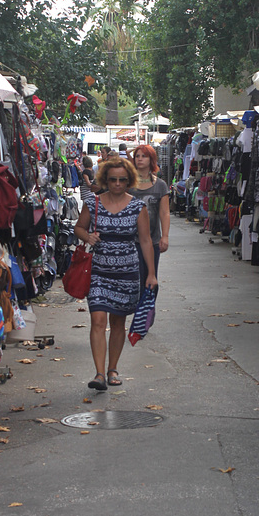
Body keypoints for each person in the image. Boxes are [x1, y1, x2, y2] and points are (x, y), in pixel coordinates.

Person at [74, 157, 157, 391]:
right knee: (97, 320)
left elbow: (145, 240)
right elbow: (79, 227)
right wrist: (86, 236)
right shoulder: (94, 203)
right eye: (113, 180)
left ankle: (113, 369)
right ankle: (99, 374)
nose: (118, 184)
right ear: (105, 180)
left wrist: (151, 273)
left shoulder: (137, 207)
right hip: (99, 271)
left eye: (122, 180)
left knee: (118, 323)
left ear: (129, 180)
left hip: (127, 273)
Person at [130, 144, 170, 293]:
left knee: (150, 280)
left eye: (143, 156)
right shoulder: (127, 183)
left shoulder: (160, 185)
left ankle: (146, 312)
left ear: (151, 159)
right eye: (137, 156)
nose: (139, 159)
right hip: (130, 241)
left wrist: (165, 236)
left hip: (152, 240)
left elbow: (165, 213)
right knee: (134, 281)